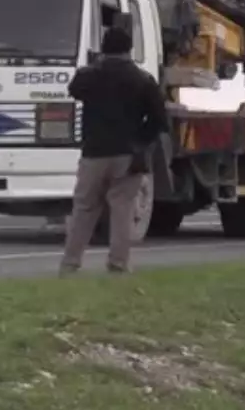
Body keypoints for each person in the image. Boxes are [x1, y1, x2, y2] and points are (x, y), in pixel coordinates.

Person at [60, 23, 169, 276]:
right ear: (129, 49)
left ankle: (70, 264)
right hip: (127, 154)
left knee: (84, 208)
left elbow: (74, 90)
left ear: (103, 48)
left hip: (93, 151)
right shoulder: (142, 79)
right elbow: (159, 120)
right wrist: (140, 142)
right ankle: (118, 264)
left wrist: (95, 64)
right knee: (122, 209)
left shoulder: (89, 75)